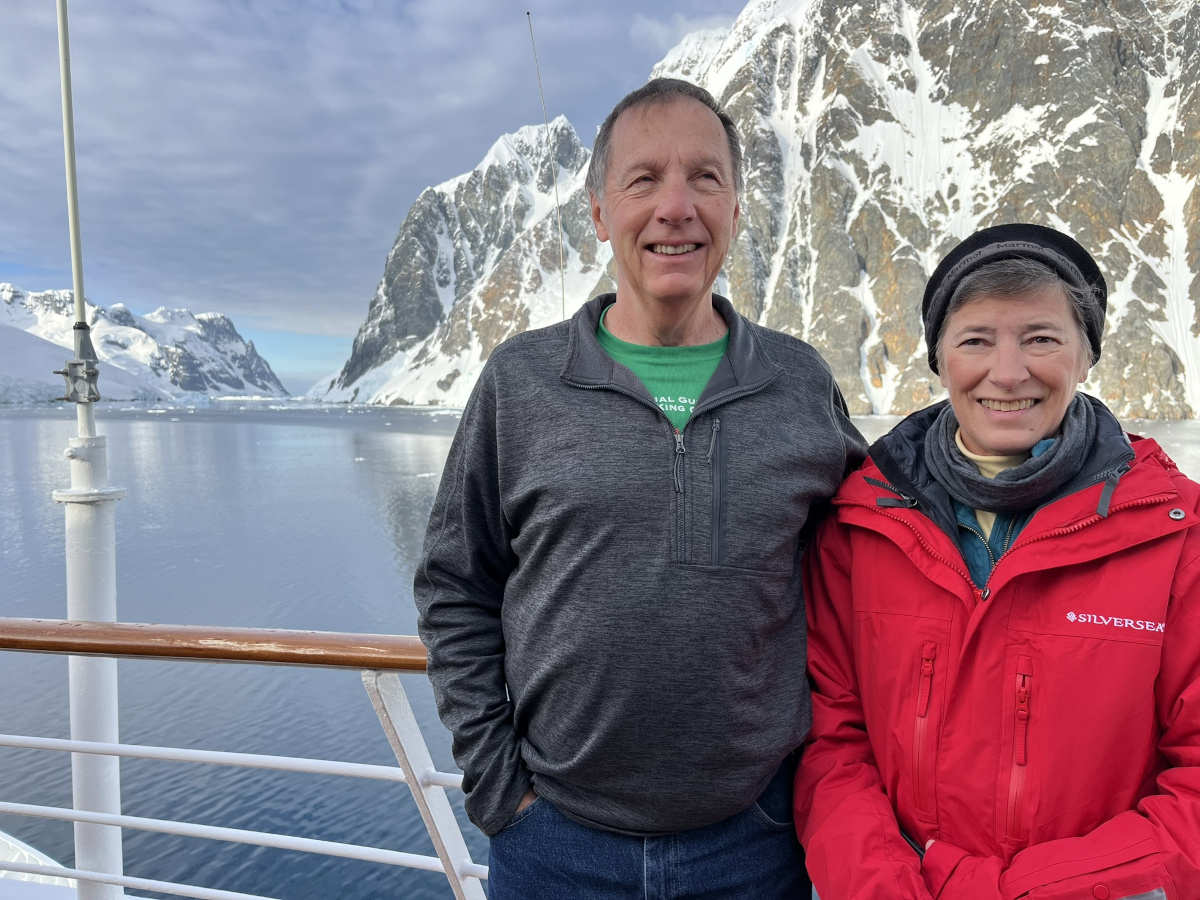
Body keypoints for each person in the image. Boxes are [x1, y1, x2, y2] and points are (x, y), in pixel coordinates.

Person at [415, 77, 865, 898]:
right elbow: (455, 587)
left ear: (735, 209)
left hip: (758, 844)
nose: (676, 207)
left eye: (705, 178)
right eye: (644, 179)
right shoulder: (521, 382)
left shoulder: (798, 383)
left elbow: (875, 564)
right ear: (598, 212)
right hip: (554, 847)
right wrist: (500, 789)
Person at [795, 222, 1200, 899]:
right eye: (976, 340)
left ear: (1086, 356)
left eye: (1041, 339)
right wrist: (883, 885)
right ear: (939, 359)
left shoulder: (1176, 536)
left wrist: (1019, 890)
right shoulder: (861, 525)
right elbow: (831, 741)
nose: (1007, 373)